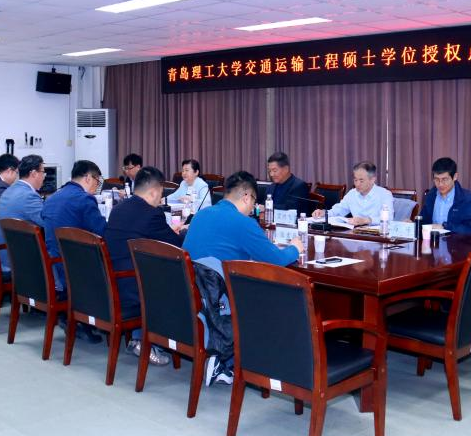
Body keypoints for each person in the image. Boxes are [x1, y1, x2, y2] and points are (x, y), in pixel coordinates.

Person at [184, 170, 305, 384]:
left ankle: (223, 360)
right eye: (254, 203)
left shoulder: (201, 214)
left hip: (194, 295)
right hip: (222, 300)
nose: (253, 209)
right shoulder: (243, 223)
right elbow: (276, 260)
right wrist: (295, 248)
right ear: (247, 197)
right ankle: (251, 364)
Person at [104, 166, 185, 367]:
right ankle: (148, 341)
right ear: (155, 191)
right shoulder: (152, 214)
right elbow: (176, 246)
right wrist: (180, 233)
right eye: (161, 193)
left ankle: (140, 338)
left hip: (112, 280)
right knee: (180, 279)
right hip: (133, 286)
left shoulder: (119, 208)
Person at [43, 160, 107, 290]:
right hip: (74, 270)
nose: (97, 186)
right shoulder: (84, 199)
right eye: (97, 182)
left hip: (52, 267)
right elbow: (102, 233)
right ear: (88, 178)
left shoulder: (51, 198)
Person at [313, 161, 393, 225]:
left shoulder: (385, 194)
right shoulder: (352, 194)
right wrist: (324, 213)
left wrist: (366, 220)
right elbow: (338, 210)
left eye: (361, 181)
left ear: (372, 180)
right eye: (355, 180)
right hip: (355, 235)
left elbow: (389, 218)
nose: (357, 184)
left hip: (378, 236)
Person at [420, 157, 471, 234]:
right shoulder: (431, 196)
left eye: (444, 179)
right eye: (436, 179)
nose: (440, 184)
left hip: (457, 241)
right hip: (432, 240)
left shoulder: (468, 199)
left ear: (455, 177)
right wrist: (413, 224)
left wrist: (445, 227)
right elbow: (423, 222)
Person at [0, 154, 46, 228]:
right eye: (43, 172)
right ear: (34, 173)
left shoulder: (7, 191)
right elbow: (47, 223)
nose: (44, 176)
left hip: (8, 235)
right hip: (20, 235)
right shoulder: (29, 196)